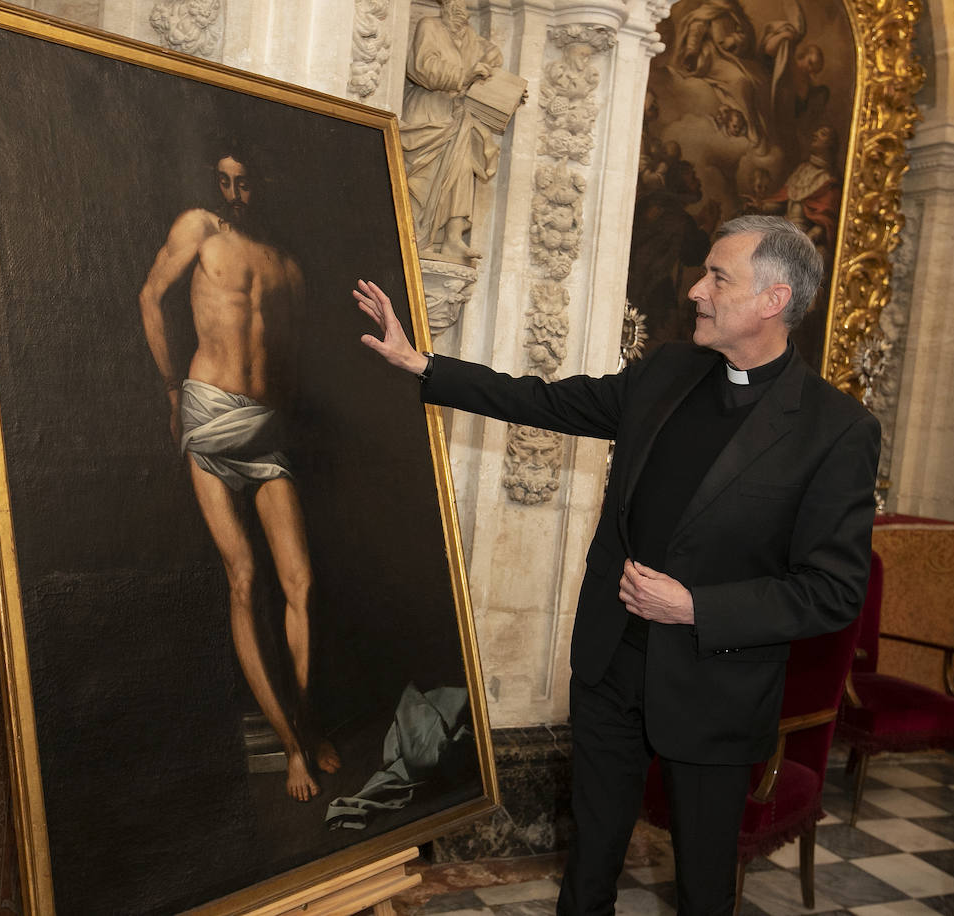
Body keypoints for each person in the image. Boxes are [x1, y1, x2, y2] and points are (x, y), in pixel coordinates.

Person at [354, 214, 879, 916]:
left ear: (772, 300)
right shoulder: (666, 371)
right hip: (611, 664)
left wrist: (695, 607)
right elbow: (545, 401)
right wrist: (423, 365)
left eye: (718, 277)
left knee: (701, 887)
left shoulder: (836, 430)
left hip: (713, 685)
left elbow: (833, 592)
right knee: (589, 866)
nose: (697, 289)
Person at [138, 142, 339, 802]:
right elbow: (149, 297)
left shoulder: (286, 265)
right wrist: (172, 395)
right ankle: (292, 749)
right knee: (244, 577)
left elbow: (290, 359)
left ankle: (307, 721)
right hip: (206, 407)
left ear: (262, 184)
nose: (233, 193)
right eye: (223, 180)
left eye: (244, 181)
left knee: (300, 581)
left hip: (263, 424)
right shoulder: (198, 227)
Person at [401, 0, 506, 263]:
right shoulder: (430, 26)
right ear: (445, 6)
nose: (462, 12)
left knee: (461, 171)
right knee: (421, 177)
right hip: (428, 111)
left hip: (456, 115)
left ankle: (452, 239)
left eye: (466, 6)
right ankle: (412, 233)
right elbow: (423, 67)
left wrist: (500, 81)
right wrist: (465, 74)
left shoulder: (470, 36)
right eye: (456, 5)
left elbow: (492, 54)